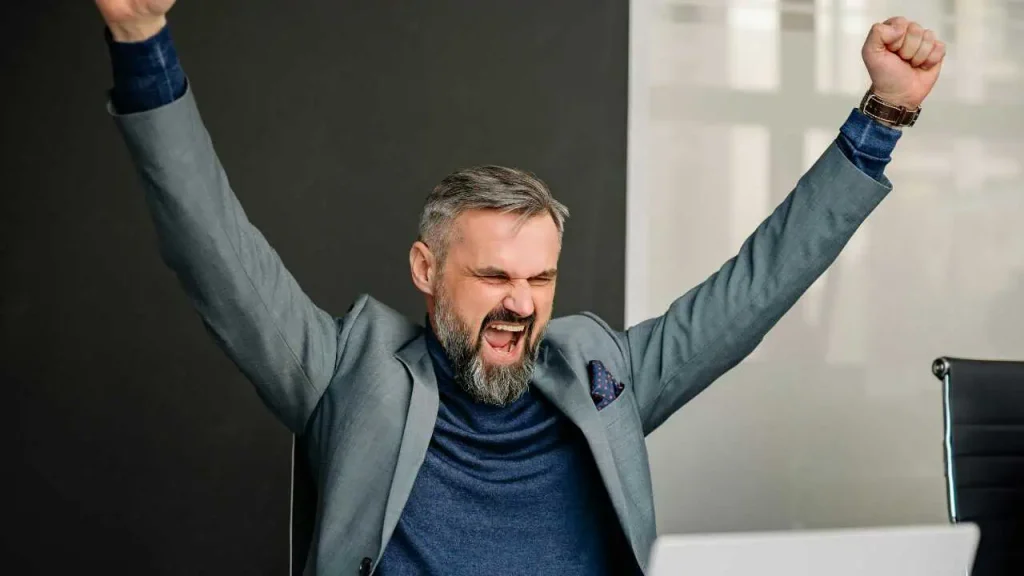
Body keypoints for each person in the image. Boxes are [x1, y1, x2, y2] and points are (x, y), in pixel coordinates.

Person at [93, 1, 945, 574]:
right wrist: (142, 46)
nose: (522, 302)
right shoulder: (346, 373)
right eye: (494, 274)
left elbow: (756, 288)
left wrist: (884, 116)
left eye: (540, 277)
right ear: (426, 271)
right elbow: (215, 254)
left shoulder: (602, 373)